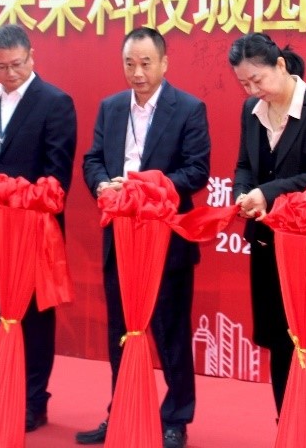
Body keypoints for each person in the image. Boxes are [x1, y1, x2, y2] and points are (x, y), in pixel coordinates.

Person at [76, 27, 210, 448]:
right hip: (121, 238)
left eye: (146, 63)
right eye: (130, 63)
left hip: (165, 240)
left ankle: (175, 419)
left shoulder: (188, 108)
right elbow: (92, 159)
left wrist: (143, 186)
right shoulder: (111, 108)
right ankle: (122, 410)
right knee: (122, 330)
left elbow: (196, 171)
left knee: (170, 333)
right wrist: (102, 184)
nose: (137, 72)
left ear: (164, 63)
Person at [0, 23, 77, 432]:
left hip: (33, 232)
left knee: (34, 319)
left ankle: (33, 402)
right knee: (0, 314)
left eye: (17, 64)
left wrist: (25, 204)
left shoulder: (55, 102)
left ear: (31, 56)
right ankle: (4, 392)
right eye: (0, 67)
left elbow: (57, 175)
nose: (10, 74)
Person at [229, 32, 306, 418]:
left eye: (257, 80)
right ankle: (286, 424)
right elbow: (244, 165)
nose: (252, 90)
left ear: (279, 65)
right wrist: (243, 194)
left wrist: (267, 193)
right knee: (278, 340)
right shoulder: (251, 110)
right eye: (244, 83)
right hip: (266, 241)